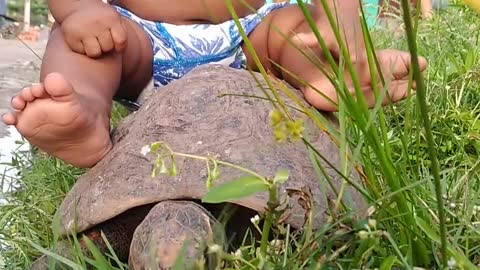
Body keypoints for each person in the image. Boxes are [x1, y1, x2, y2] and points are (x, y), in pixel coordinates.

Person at [1, 0, 427, 168]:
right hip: (142, 39)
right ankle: (84, 114)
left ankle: (327, 77)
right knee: (82, 42)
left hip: (252, 36)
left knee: (302, 27)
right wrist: (77, 9)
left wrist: (343, 20)